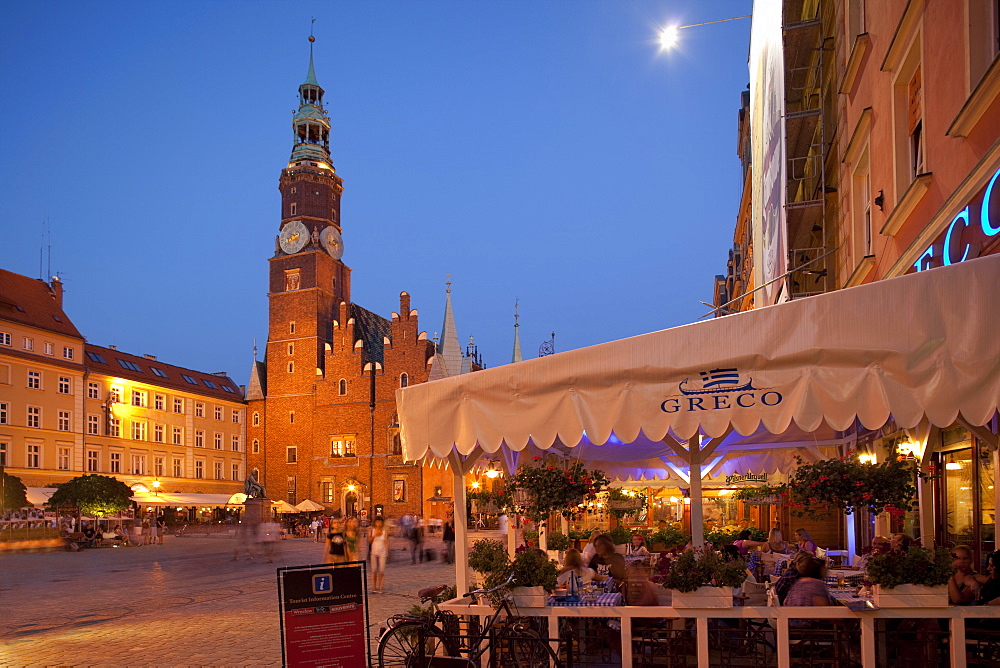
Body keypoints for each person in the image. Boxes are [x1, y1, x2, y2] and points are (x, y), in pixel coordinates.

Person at [368, 518, 389, 593]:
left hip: (382, 551)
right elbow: (369, 541)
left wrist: (387, 551)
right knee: (374, 570)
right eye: (377, 523)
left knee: (381, 570)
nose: (379, 524)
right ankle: (374, 587)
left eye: (380, 523)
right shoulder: (372, 531)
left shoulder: (384, 531)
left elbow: (386, 542)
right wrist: (374, 536)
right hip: (374, 552)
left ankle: (380, 586)